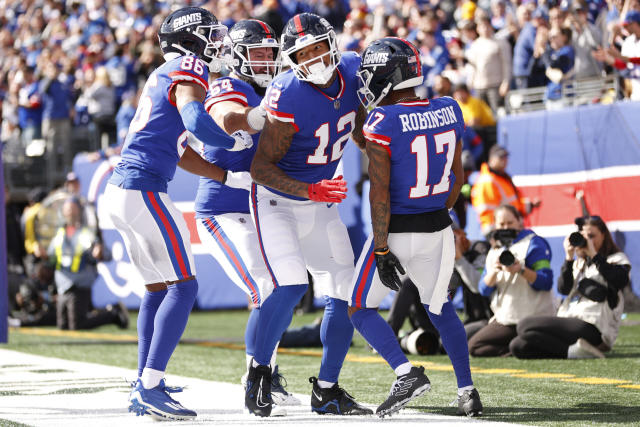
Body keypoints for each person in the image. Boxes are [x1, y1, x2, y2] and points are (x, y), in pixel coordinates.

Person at [103, 7, 254, 421]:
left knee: (157, 289)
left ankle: (143, 380)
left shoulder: (163, 73)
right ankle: (150, 387)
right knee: (184, 287)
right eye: (209, 35)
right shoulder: (188, 67)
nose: (217, 43)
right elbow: (193, 118)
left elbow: (182, 149)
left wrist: (225, 175)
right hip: (143, 188)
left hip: (122, 190)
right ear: (189, 41)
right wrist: (234, 135)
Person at [347, 36, 482, 418]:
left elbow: (380, 192)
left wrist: (381, 246)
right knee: (441, 309)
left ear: (388, 76)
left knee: (358, 308)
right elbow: (456, 177)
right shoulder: (450, 108)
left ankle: (406, 373)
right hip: (438, 227)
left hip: (397, 228)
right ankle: (467, 391)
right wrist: (438, 214)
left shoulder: (381, 119)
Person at [248, 12, 371, 417]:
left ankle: (328, 388)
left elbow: (356, 126)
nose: (313, 58)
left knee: (345, 291)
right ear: (291, 58)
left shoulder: (354, 70)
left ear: (332, 44)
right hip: (278, 201)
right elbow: (261, 168)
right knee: (289, 285)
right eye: (303, 53)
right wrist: (309, 188)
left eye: (318, 47)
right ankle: (259, 373)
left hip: (321, 200)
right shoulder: (287, 92)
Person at [193, 18, 299, 408]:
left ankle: (266, 372)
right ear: (237, 56)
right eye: (257, 53)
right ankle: (258, 375)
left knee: (286, 288)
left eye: (271, 54)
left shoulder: (279, 85)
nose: (266, 61)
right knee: (266, 288)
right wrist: (259, 117)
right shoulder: (229, 86)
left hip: (263, 208)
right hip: (222, 210)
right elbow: (225, 116)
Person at [510, 216, 631, 359]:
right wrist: (569, 258)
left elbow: (619, 280)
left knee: (525, 324)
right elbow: (563, 289)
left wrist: (594, 255)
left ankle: (584, 348)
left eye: (592, 236)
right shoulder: (578, 263)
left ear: (604, 235)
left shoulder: (616, 259)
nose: (587, 241)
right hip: (570, 320)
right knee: (518, 346)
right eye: (584, 236)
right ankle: (575, 352)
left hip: (594, 326)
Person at [467, 204, 555, 357]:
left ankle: (521, 344)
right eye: (501, 224)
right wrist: (493, 272)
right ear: (495, 225)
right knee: (473, 347)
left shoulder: (534, 243)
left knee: (476, 346)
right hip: (506, 318)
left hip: (533, 317)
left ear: (519, 221)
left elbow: (546, 282)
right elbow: (483, 289)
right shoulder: (495, 249)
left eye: (510, 223)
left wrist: (521, 270)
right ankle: (516, 347)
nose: (506, 227)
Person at [48, 197, 127, 331]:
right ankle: (111, 313)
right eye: (67, 209)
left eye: (73, 209)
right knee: (63, 326)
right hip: (62, 284)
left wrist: (99, 252)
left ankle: (112, 314)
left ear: (79, 211)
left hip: (80, 284)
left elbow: (107, 255)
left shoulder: (87, 232)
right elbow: (51, 255)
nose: (70, 213)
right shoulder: (60, 233)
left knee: (77, 326)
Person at [471, 145, 539, 236]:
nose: (505, 160)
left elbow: (513, 204)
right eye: (501, 157)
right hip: (500, 232)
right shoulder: (488, 181)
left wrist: (530, 205)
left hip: (511, 229)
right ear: (491, 159)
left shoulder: (502, 178)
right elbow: (488, 211)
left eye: (506, 157)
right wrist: (493, 235)